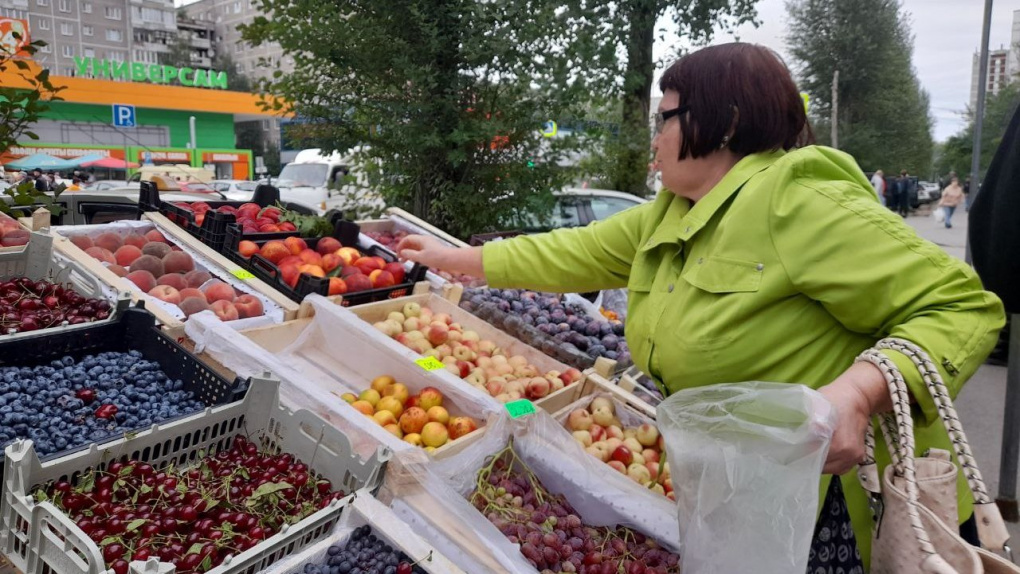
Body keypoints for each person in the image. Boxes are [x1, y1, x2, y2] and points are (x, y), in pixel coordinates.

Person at [396, 43, 1004, 571]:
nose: (654, 141)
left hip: (829, 506)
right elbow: (572, 252)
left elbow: (963, 307)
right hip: (746, 493)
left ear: (727, 120)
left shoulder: (797, 202)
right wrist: (458, 260)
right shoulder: (673, 212)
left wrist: (858, 393)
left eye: (664, 120)